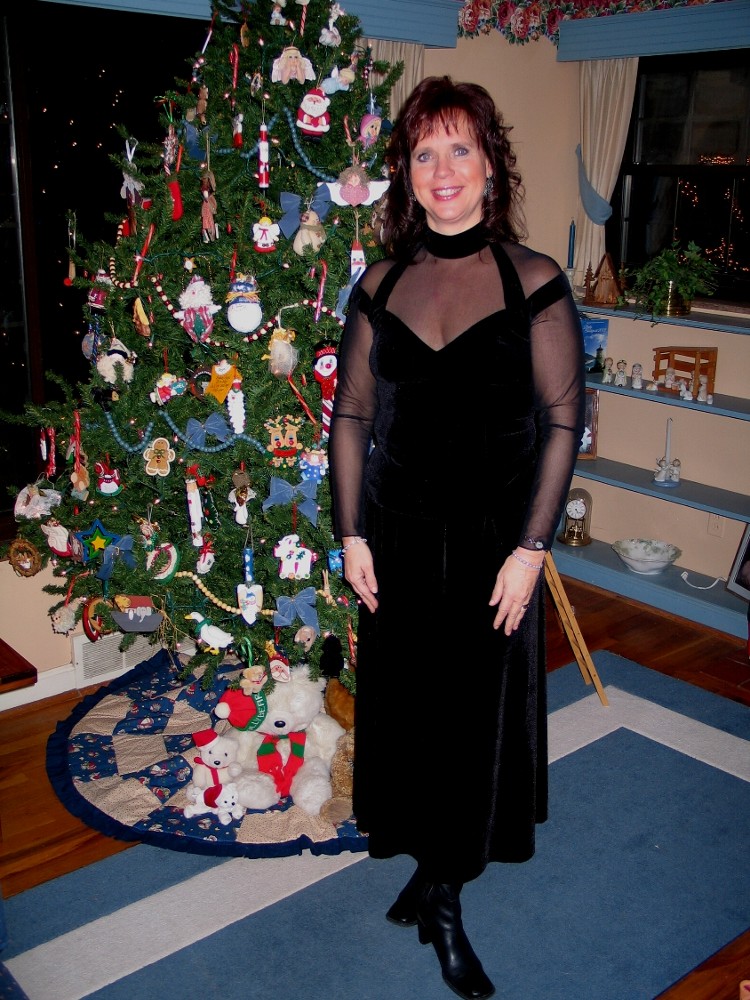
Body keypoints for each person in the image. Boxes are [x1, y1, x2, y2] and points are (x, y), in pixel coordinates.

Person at [328, 76, 585, 1000]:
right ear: (406, 172)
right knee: (411, 717)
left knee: (473, 724)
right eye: (424, 153)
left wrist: (531, 549)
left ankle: (443, 896)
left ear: (490, 166)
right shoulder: (379, 283)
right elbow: (352, 415)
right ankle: (429, 867)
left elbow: (563, 421)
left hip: (492, 548)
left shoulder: (534, 280)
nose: (443, 170)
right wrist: (351, 535)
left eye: (460, 149)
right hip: (396, 537)